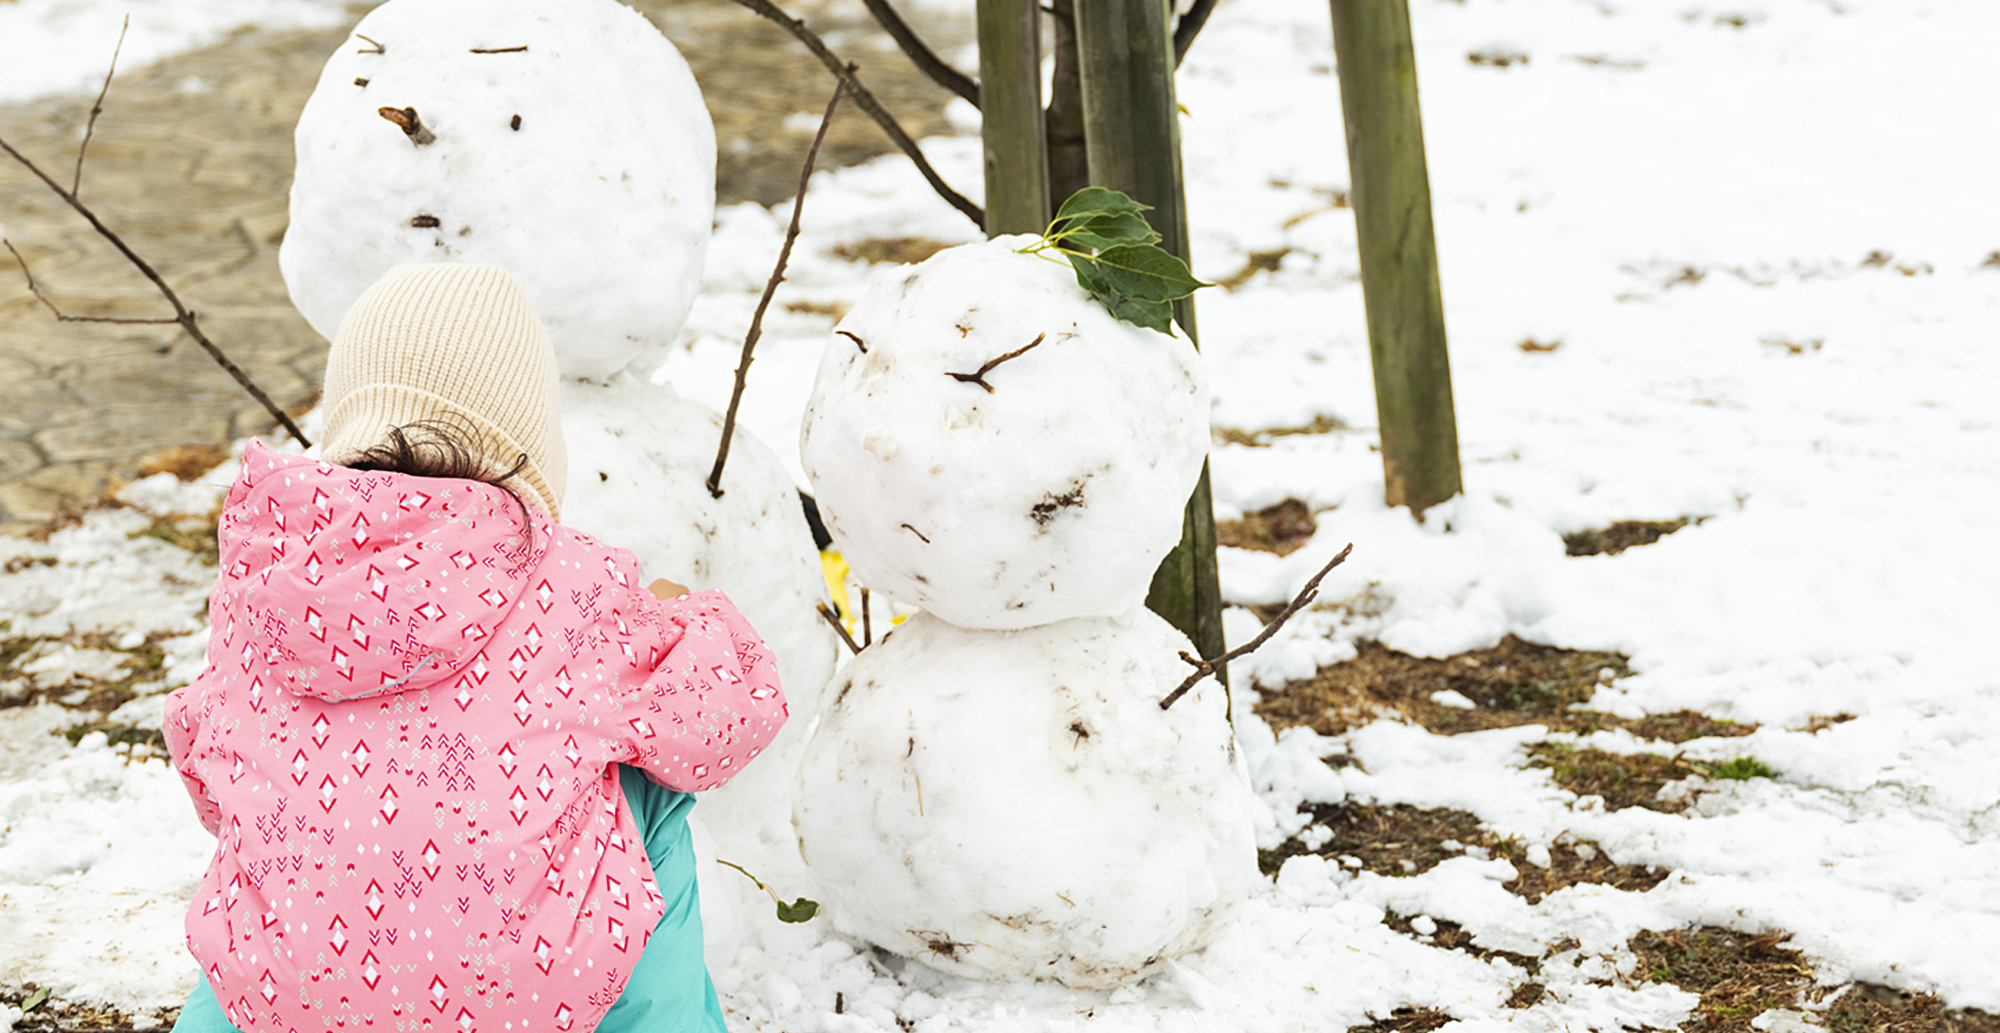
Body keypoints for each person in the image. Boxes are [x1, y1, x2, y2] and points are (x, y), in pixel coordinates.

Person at [162, 263, 785, 1033]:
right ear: (526, 440)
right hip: (527, 998)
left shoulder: (268, 583)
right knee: (647, 794)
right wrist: (683, 622)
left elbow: (205, 763)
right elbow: (728, 715)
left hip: (285, 1000)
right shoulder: (574, 583)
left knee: (257, 851)